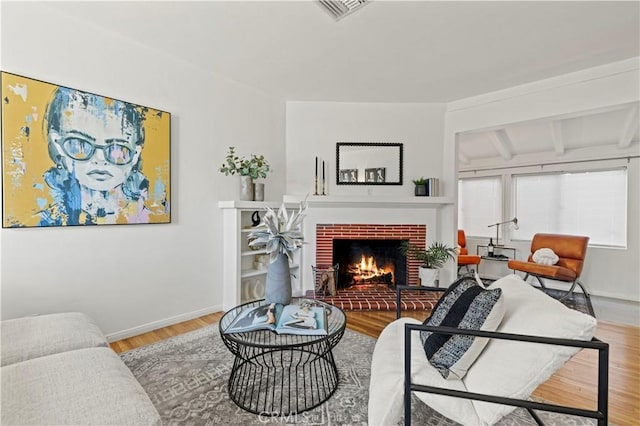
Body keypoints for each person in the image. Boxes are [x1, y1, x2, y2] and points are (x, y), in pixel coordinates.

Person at [39, 87, 151, 226]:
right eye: (80, 144)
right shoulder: (46, 221)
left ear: (135, 155)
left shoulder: (147, 215)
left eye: (117, 149)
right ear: (58, 144)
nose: (100, 159)